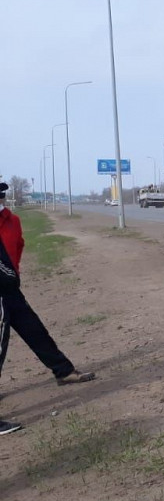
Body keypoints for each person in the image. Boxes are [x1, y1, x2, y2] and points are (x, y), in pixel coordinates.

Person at [0, 181, 95, 435]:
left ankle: (63, 371)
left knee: (34, 330)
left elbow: (18, 247)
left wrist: (12, 274)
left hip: (9, 288)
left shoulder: (12, 221)